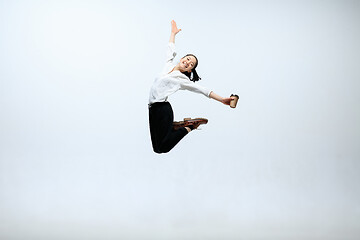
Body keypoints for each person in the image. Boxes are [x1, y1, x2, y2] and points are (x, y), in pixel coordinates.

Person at [148, 20, 233, 154]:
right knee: (157, 148)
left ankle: (189, 127)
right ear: (182, 58)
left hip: (162, 110)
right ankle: (176, 127)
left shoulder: (182, 79)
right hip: (152, 109)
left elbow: (202, 90)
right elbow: (170, 48)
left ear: (189, 70)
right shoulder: (168, 65)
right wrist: (173, 33)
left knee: (163, 148)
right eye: (188, 59)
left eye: (191, 64)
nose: (188, 62)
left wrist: (222, 99)